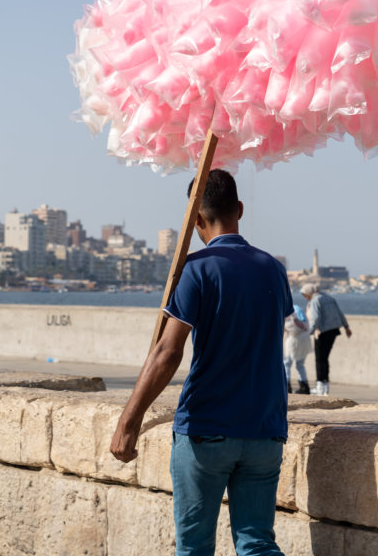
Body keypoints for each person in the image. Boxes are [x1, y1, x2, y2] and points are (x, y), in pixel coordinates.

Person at [110, 169, 292, 556]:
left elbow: (168, 351)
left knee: (194, 547)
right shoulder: (274, 270)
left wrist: (129, 421)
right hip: (265, 429)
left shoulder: (197, 268)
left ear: (195, 221)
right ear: (240, 209)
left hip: (206, 429)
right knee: (258, 542)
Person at [300, 284, 351, 396]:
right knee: (325, 359)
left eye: (305, 295)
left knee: (319, 359)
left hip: (322, 332)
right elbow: (340, 313)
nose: (305, 298)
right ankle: (325, 387)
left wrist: (310, 332)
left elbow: (316, 318)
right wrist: (346, 327)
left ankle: (319, 387)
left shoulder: (315, 301)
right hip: (333, 331)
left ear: (309, 292)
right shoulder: (329, 298)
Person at [283, 304, 311, 394]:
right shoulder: (299, 311)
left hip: (294, 340)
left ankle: (287, 386)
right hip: (305, 340)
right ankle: (304, 385)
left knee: (287, 363)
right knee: (300, 364)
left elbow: (285, 327)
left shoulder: (288, 314)